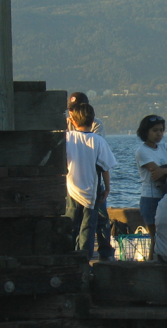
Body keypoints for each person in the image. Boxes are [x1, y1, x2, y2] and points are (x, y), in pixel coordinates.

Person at [65, 103, 117, 261]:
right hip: (91, 192)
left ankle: (68, 257)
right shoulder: (98, 141)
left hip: (71, 189)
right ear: (93, 121)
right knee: (88, 228)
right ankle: (84, 261)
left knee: (70, 226)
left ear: (73, 121)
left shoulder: (68, 138)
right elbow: (105, 167)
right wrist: (107, 188)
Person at [135, 114, 167, 260]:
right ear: (146, 132)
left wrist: (166, 169)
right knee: (155, 238)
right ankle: (152, 264)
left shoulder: (165, 147)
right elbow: (156, 173)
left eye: (161, 130)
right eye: (155, 130)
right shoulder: (142, 151)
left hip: (166, 196)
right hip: (151, 198)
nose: (159, 134)